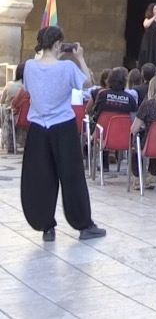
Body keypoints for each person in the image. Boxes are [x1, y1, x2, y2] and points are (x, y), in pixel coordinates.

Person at [20, 26, 105, 242]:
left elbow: (29, 90)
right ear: (58, 44)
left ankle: (46, 226)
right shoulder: (67, 67)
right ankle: (84, 224)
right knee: (72, 176)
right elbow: (88, 82)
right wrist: (81, 58)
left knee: (40, 176)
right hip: (63, 125)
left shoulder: (29, 66)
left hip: (38, 127)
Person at [90, 67, 137, 173]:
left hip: (102, 134)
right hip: (124, 136)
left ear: (109, 81)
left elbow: (95, 112)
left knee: (102, 126)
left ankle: (104, 164)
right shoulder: (130, 99)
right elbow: (134, 119)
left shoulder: (102, 95)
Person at [2, 63, 25, 153]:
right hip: (27, 116)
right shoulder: (30, 87)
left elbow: (2, 100)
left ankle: (9, 143)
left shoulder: (10, 85)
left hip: (13, 115)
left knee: (5, 109)